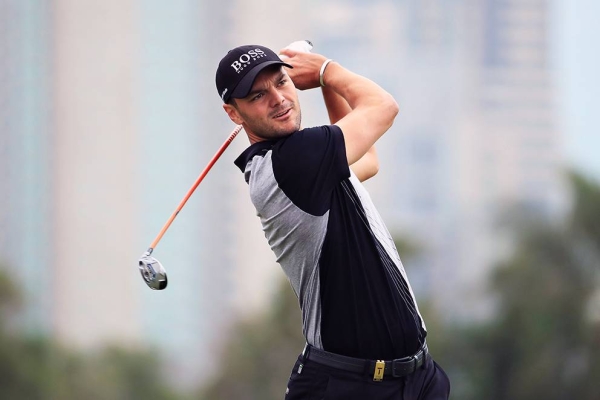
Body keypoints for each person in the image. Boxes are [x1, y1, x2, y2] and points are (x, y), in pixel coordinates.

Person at [215, 43, 450, 400]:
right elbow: (384, 107)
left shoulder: (312, 165)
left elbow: (367, 159)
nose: (278, 98)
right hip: (347, 386)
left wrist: (325, 85)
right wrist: (325, 69)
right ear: (234, 114)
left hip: (417, 379)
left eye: (282, 82)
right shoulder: (291, 162)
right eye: (258, 95)